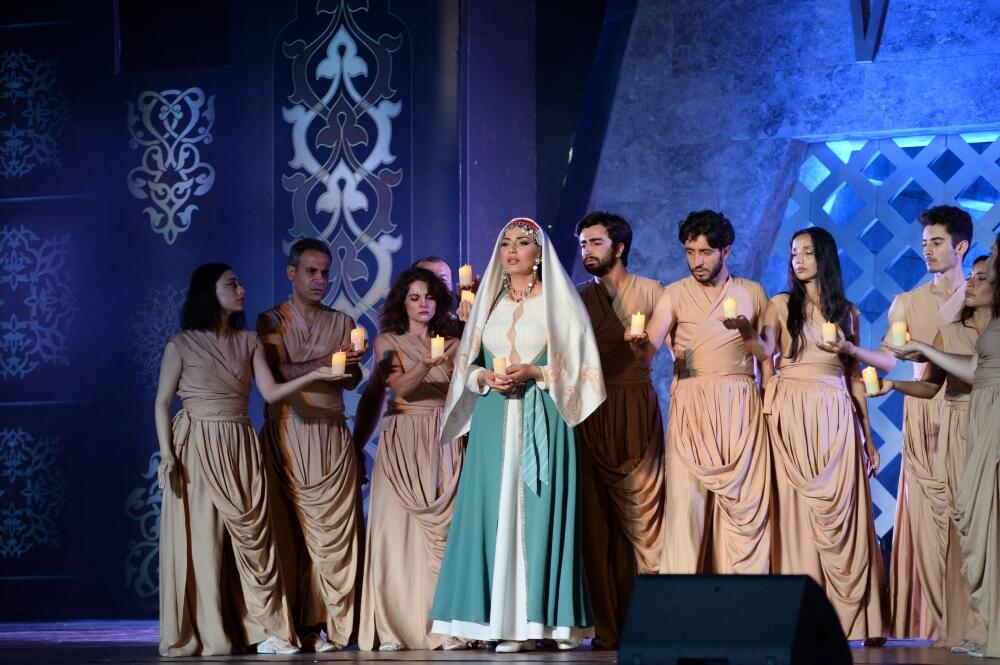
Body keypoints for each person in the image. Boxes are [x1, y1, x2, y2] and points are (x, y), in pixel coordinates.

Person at [429, 218, 606, 653]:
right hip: (493, 417)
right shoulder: (488, 303)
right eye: (506, 243)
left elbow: (583, 368)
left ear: (538, 253)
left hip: (542, 414)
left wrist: (536, 372)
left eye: (523, 243)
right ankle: (497, 622)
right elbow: (467, 365)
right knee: (492, 511)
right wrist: (483, 377)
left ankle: (541, 622)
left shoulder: (558, 302)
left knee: (539, 512)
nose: (512, 250)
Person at [155, 263, 341, 656]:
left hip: (239, 441)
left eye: (240, 283)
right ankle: (213, 631)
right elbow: (162, 402)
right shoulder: (180, 345)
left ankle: (271, 631)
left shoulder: (249, 341)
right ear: (210, 292)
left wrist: (316, 375)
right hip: (198, 446)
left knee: (256, 541)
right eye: (232, 284)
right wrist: (167, 454)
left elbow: (270, 393)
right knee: (204, 541)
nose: (241, 289)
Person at [834, 205, 972, 640]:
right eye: (925, 243)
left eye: (937, 242)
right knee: (930, 520)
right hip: (925, 411)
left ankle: (980, 621)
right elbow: (888, 358)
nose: (927, 250)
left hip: (973, 411)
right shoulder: (907, 303)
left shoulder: (980, 297)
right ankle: (942, 624)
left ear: (961, 247)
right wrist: (852, 351)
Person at [755, 227, 885, 640]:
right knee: (797, 511)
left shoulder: (847, 311)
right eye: (794, 253)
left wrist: (868, 437)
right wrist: (745, 335)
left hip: (836, 412)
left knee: (843, 509)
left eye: (807, 252)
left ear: (824, 257)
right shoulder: (780, 304)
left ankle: (854, 620)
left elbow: (855, 377)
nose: (798, 260)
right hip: (792, 410)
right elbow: (765, 356)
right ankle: (801, 617)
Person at [636, 210, 771, 575]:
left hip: (740, 405)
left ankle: (743, 598)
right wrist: (636, 343)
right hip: (692, 405)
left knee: (743, 505)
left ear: (726, 251)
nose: (696, 261)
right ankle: (681, 597)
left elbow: (767, 355)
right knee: (686, 506)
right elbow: (647, 351)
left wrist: (745, 331)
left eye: (705, 252)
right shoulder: (674, 294)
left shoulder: (752, 293)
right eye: (690, 252)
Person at [885, 235, 1000, 658]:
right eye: (973, 276)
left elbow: (977, 372)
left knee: (986, 523)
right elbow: (935, 383)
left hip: (986, 418)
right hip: (963, 421)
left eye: (983, 276)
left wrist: (922, 347)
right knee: (967, 525)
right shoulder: (952, 328)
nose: (973, 283)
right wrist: (893, 382)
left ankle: (988, 626)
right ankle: (972, 627)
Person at [256, 238, 366, 652]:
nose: (320, 279)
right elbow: (278, 372)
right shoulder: (271, 321)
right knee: (290, 534)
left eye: (324, 273)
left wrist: (352, 365)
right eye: (311, 271)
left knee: (335, 536)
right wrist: (323, 363)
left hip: (331, 432)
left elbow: (351, 382)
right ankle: (293, 626)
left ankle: (328, 625)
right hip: (288, 432)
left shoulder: (343, 321)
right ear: (291, 273)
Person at [358, 267, 466, 652]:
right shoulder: (387, 341)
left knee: (446, 533)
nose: (423, 304)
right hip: (403, 435)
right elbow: (397, 386)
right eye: (415, 297)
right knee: (396, 531)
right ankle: (395, 628)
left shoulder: (454, 343)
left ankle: (448, 626)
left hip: (443, 436)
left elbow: (465, 390)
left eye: (430, 297)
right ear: (402, 302)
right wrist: (425, 365)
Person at [574, 211, 664, 648]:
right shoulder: (577, 297)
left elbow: (666, 351)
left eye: (595, 242)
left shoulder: (652, 291)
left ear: (620, 247)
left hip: (634, 406)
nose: (587, 251)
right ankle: (606, 627)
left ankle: (649, 621)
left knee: (643, 518)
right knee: (595, 522)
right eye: (583, 244)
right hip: (592, 410)